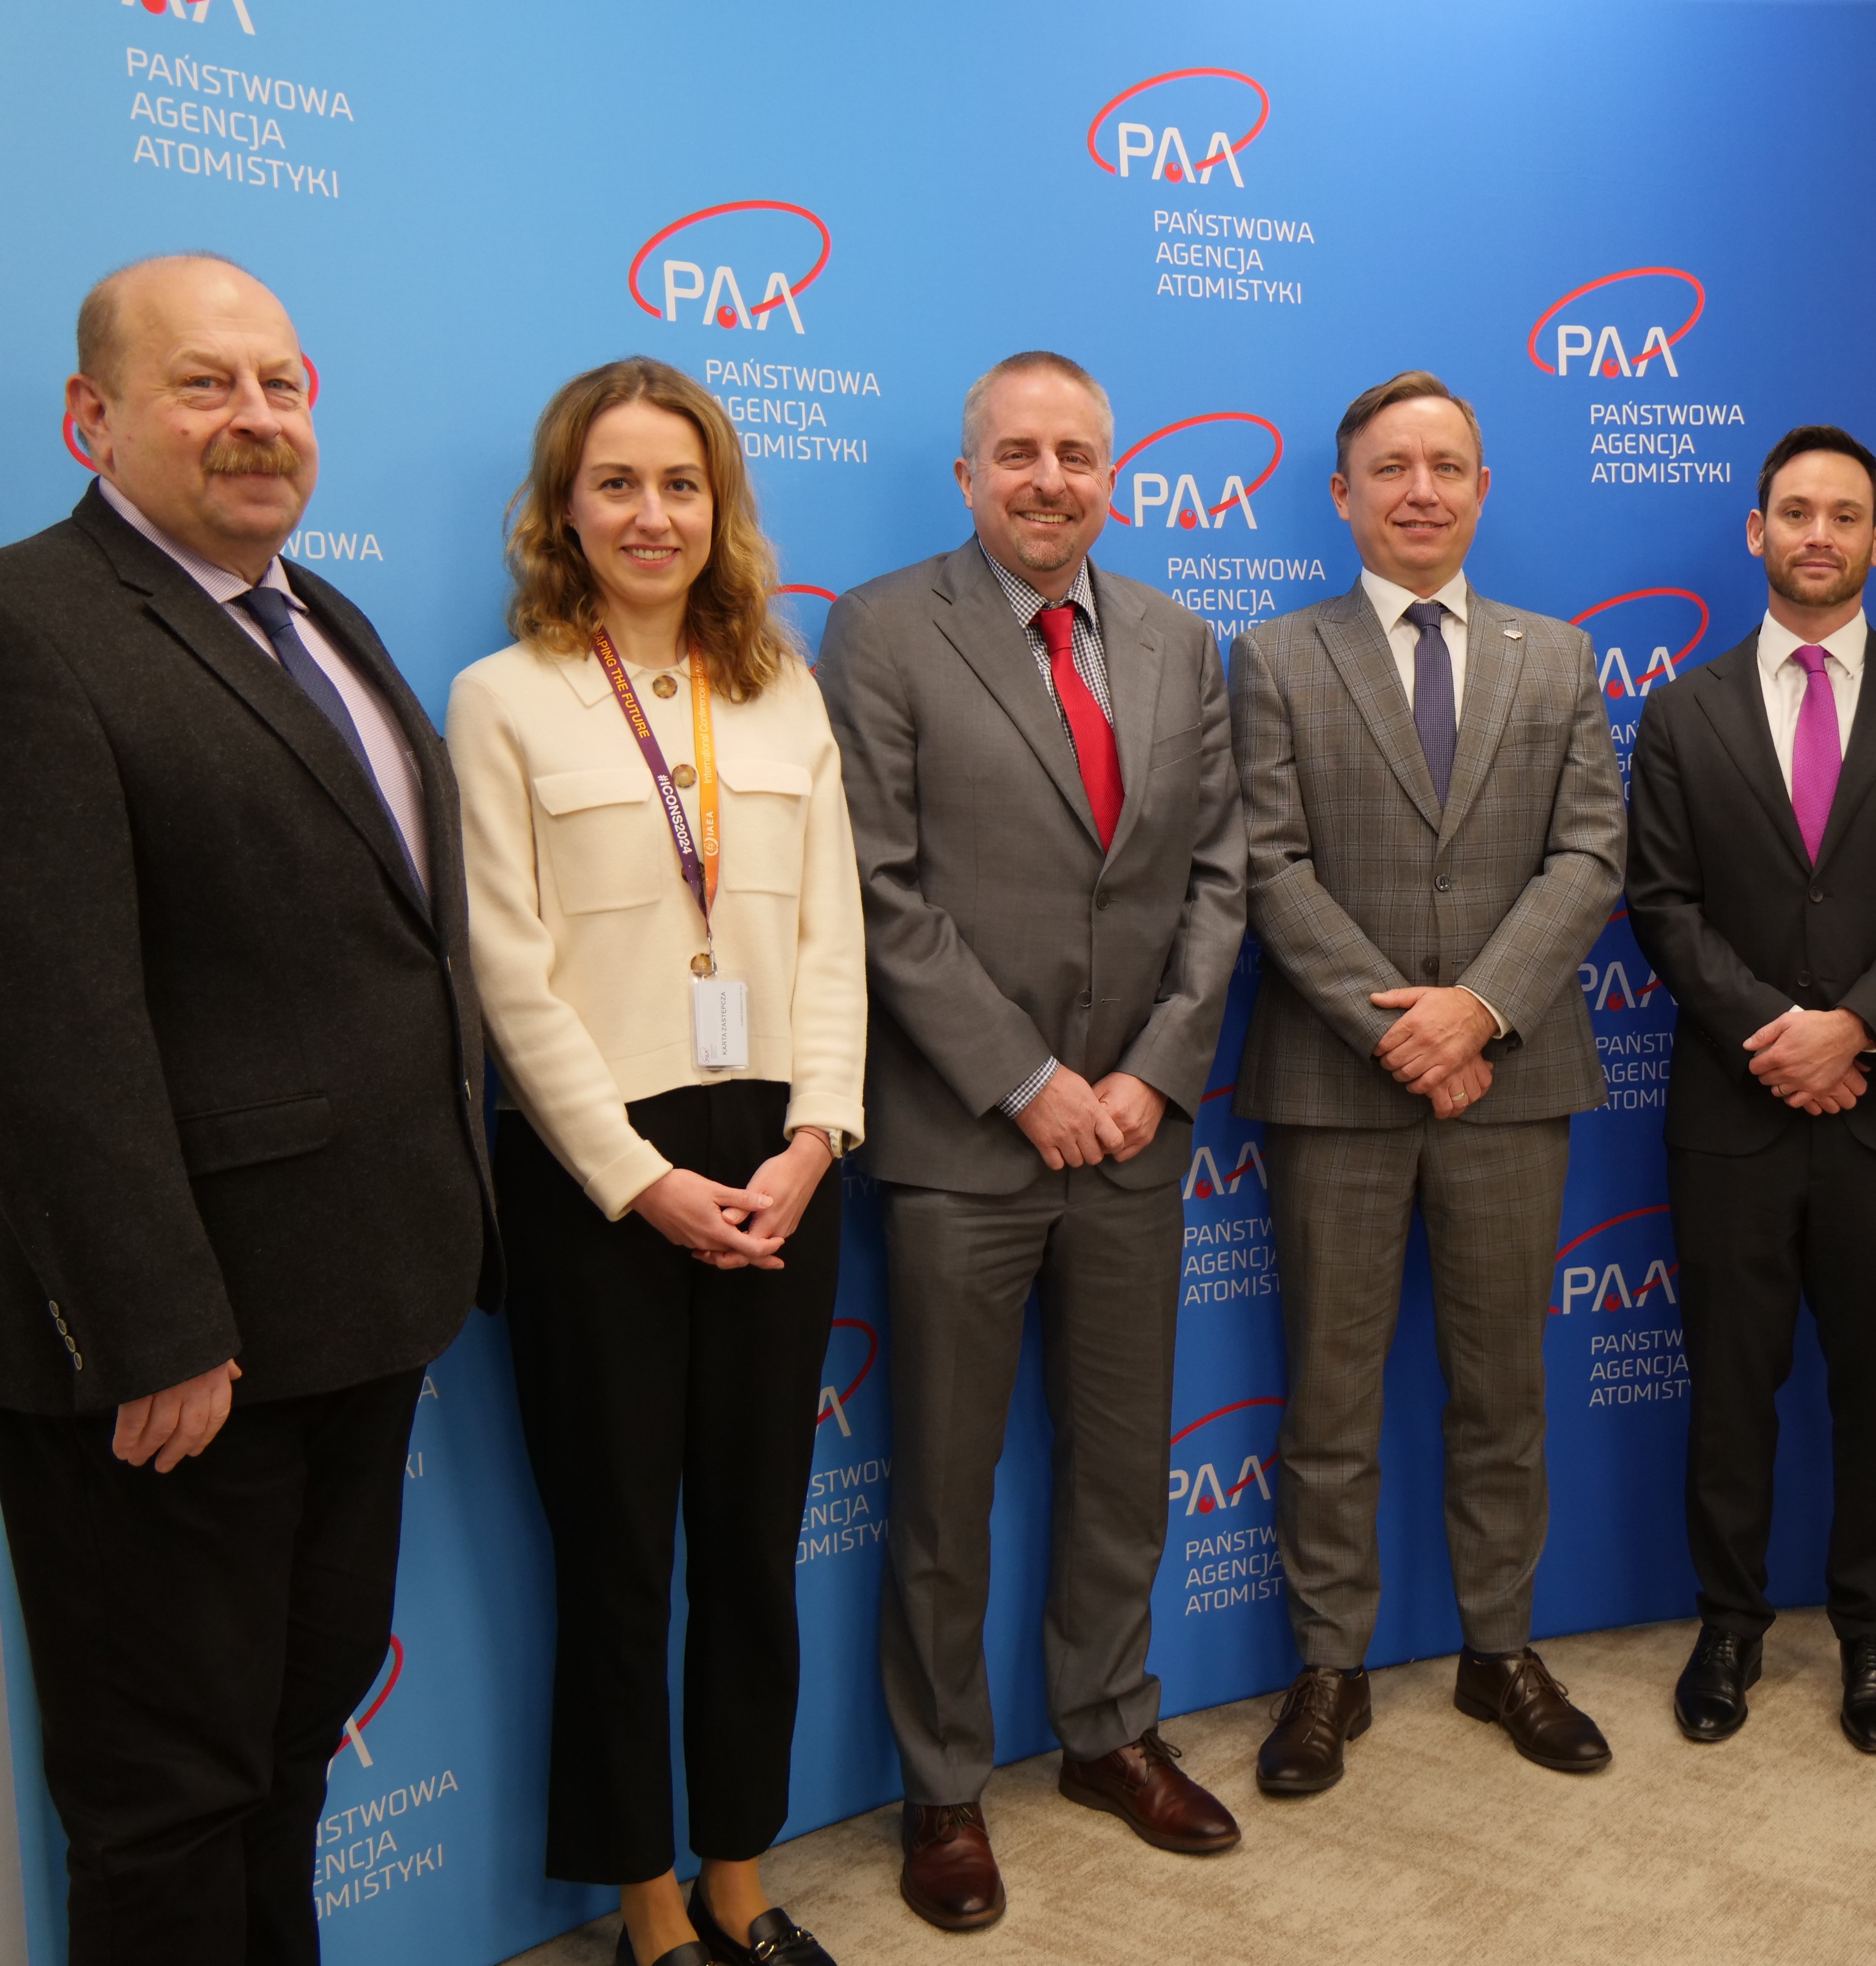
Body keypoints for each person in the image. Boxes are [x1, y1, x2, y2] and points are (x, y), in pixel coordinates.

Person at [0, 254, 496, 1964]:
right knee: (168, 1803)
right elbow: (49, 1027)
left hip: (357, 1311)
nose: (257, 419)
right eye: (204, 384)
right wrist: (154, 1329)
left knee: (286, 1756)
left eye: (281, 384)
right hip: (179, 1360)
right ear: (93, 417)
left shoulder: (317, 615)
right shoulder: (31, 627)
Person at [819, 350, 1248, 1932]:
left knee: (1124, 1467)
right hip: (967, 1141)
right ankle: (943, 1788)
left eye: (1076, 455)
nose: (1048, 480)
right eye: (1018, 454)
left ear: (1112, 477)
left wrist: (1151, 1073)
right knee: (946, 1488)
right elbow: (878, 885)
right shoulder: (883, 629)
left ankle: (1108, 1730)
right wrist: (1025, 1079)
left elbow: (1220, 877)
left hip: (1136, 1132)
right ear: (968, 476)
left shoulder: (1179, 640)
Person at [447, 359, 863, 1966]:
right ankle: (645, 1903)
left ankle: (740, 1875)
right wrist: (635, 1180)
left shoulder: (783, 689)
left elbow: (832, 937)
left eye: (680, 485)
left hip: (779, 1160)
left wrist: (818, 1136)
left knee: (753, 1546)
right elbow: (507, 968)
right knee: (620, 1556)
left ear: (719, 508)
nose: (651, 514)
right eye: (616, 483)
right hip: (599, 1178)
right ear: (565, 509)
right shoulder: (503, 699)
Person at [1229, 371, 1625, 1796]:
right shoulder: (1274, 658)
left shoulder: (1558, 658)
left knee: (1503, 1394)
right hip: (1337, 1090)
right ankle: (1328, 1667)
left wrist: (1480, 1012)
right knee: (1329, 1401)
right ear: (1344, 496)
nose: (1421, 491)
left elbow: (1590, 855)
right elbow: (1266, 862)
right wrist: (1399, 1028)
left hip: (1511, 1082)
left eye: (1447, 466)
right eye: (1392, 468)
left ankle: (1498, 1650)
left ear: (1482, 489)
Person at [1625, 426, 1876, 1753]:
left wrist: (1855, 1032)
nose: (1819, 535)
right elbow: (1662, 905)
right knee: (1732, 1388)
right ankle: (1730, 1624)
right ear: (1757, 531)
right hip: (1734, 1114)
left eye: (1845, 515)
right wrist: (1779, 1034)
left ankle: (1872, 1635)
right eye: (1795, 512)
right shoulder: (1684, 711)